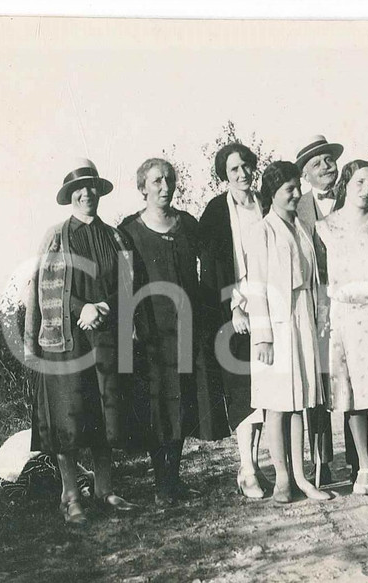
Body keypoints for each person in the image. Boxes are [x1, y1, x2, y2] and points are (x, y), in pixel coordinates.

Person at [23, 158, 139, 525]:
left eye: (91, 186)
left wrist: (104, 306)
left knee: (105, 414)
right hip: (65, 341)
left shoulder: (116, 237)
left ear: (99, 192)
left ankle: (105, 489)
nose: (86, 193)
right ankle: (70, 495)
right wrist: (81, 308)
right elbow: (43, 288)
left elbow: (129, 285)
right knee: (68, 418)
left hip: (105, 336)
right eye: (79, 188)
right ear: (70, 195)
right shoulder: (56, 236)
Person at [119, 158, 230, 506]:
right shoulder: (129, 231)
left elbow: (210, 263)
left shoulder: (187, 224)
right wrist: (130, 328)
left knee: (183, 400)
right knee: (158, 406)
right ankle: (162, 483)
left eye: (169, 179)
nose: (165, 187)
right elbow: (123, 284)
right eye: (156, 181)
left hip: (188, 328)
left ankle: (174, 479)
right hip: (151, 330)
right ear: (142, 188)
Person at [246, 161, 333, 503]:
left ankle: (300, 477)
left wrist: (319, 317)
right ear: (272, 193)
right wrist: (263, 336)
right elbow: (256, 286)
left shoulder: (302, 227)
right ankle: (282, 478)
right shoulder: (263, 231)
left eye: (298, 187)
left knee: (300, 403)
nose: (297, 194)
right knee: (277, 405)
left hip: (303, 318)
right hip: (276, 324)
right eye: (289, 189)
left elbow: (314, 279)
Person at [315, 160, 368, 497]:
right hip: (343, 316)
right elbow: (320, 279)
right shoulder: (325, 227)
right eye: (360, 182)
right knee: (352, 395)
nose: (367, 189)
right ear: (345, 184)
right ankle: (362, 465)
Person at [199, 143, 271, 499]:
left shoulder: (265, 203)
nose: (242, 174)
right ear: (224, 176)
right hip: (236, 309)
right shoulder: (216, 211)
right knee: (243, 388)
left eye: (246, 166)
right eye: (234, 169)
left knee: (266, 388)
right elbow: (213, 265)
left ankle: (252, 465)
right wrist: (233, 307)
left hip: (270, 304)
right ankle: (247, 468)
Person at [294, 134, 358, 486]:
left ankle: (358, 461)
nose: (326, 167)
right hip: (315, 304)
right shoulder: (297, 207)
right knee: (317, 382)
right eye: (316, 163)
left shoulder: (355, 195)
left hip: (353, 301)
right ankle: (322, 463)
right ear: (305, 174)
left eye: (329, 160)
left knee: (354, 379)